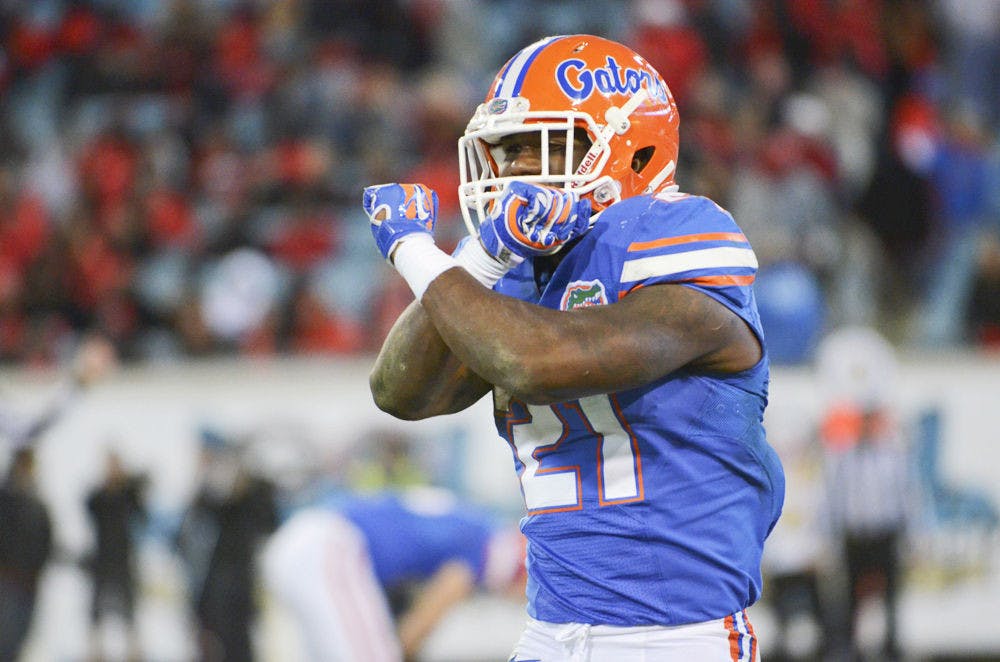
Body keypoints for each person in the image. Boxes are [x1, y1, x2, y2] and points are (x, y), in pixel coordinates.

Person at [361, 34, 785, 661]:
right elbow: (401, 392)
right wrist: (479, 258)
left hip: (675, 638)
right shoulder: (516, 266)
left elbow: (533, 363)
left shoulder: (680, 234)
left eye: (546, 144)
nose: (515, 170)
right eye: (507, 149)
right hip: (548, 632)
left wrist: (414, 250)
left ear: (632, 149)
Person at [262, 486, 526, 662]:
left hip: (303, 540)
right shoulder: (484, 550)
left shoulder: (473, 522)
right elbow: (419, 625)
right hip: (331, 546)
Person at [816, 327, 914, 662]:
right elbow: (834, 496)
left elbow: (904, 494)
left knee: (890, 599)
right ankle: (851, 650)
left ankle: (890, 648)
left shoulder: (892, 453)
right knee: (850, 598)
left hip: (885, 533)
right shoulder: (844, 454)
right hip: (855, 535)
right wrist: (829, 535)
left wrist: (911, 533)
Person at [175, 430, 279, 662]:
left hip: (237, 581)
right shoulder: (210, 494)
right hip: (210, 583)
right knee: (208, 640)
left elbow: (268, 522)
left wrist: (248, 489)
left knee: (237, 642)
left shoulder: (254, 493)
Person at [85, 448, 148, 662]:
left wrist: (129, 486)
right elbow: (89, 506)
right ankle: (95, 650)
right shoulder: (99, 495)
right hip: (102, 559)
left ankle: (133, 650)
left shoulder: (128, 494)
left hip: (123, 559)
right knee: (96, 608)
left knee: (129, 608)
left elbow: (141, 514)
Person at [0, 447, 53, 662]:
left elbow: (46, 539)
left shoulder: (38, 503)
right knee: (6, 640)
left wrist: (38, 569)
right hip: (7, 581)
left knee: (20, 639)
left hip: (30, 583)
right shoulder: (5, 501)